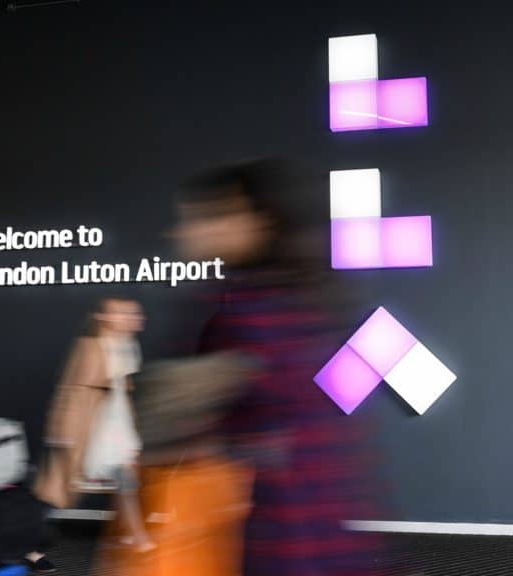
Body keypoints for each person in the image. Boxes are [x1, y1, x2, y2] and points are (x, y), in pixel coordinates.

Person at [175, 157, 387, 575]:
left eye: (206, 217)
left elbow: (232, 422)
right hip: (315, 515)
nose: (187, 231)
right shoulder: (299, 300)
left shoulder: (247, 314)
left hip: (276, 522)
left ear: (256, 221)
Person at [35, 297, 155, 555]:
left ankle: (135, 536)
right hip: (86, 426)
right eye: (124, 313)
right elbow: (69, 388)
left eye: (133, 314)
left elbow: (123, 392)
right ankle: (29, 542)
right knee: (58, 490)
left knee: (126, 482)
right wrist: (62, 430)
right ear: (105, 317)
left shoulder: (128, 347)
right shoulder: (89, 346)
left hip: (115, 425)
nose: (133, 319)